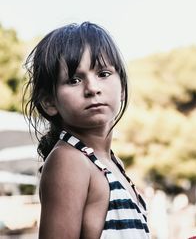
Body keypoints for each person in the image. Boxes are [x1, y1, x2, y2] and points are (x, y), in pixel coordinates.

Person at [23, 22, 150, 239]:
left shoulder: (110, 164)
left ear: (121, 87)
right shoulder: (69, 160)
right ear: (49, 102)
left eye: (103, 73)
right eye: (74, 80)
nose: (92, 88)